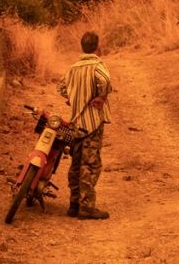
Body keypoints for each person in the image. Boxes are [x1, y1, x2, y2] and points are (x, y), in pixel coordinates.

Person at [57, 30, 112, 219]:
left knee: (76, 162)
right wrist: (101, 96)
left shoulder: (73, 68)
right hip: (92, 122)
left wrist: (73, 98)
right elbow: (105, 80)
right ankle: (86, 206)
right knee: (90, 164)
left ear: (82, 46)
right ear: (97, 46)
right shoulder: (98, 65)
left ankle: (74, 204)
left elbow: (61, 87)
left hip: (76, 123)